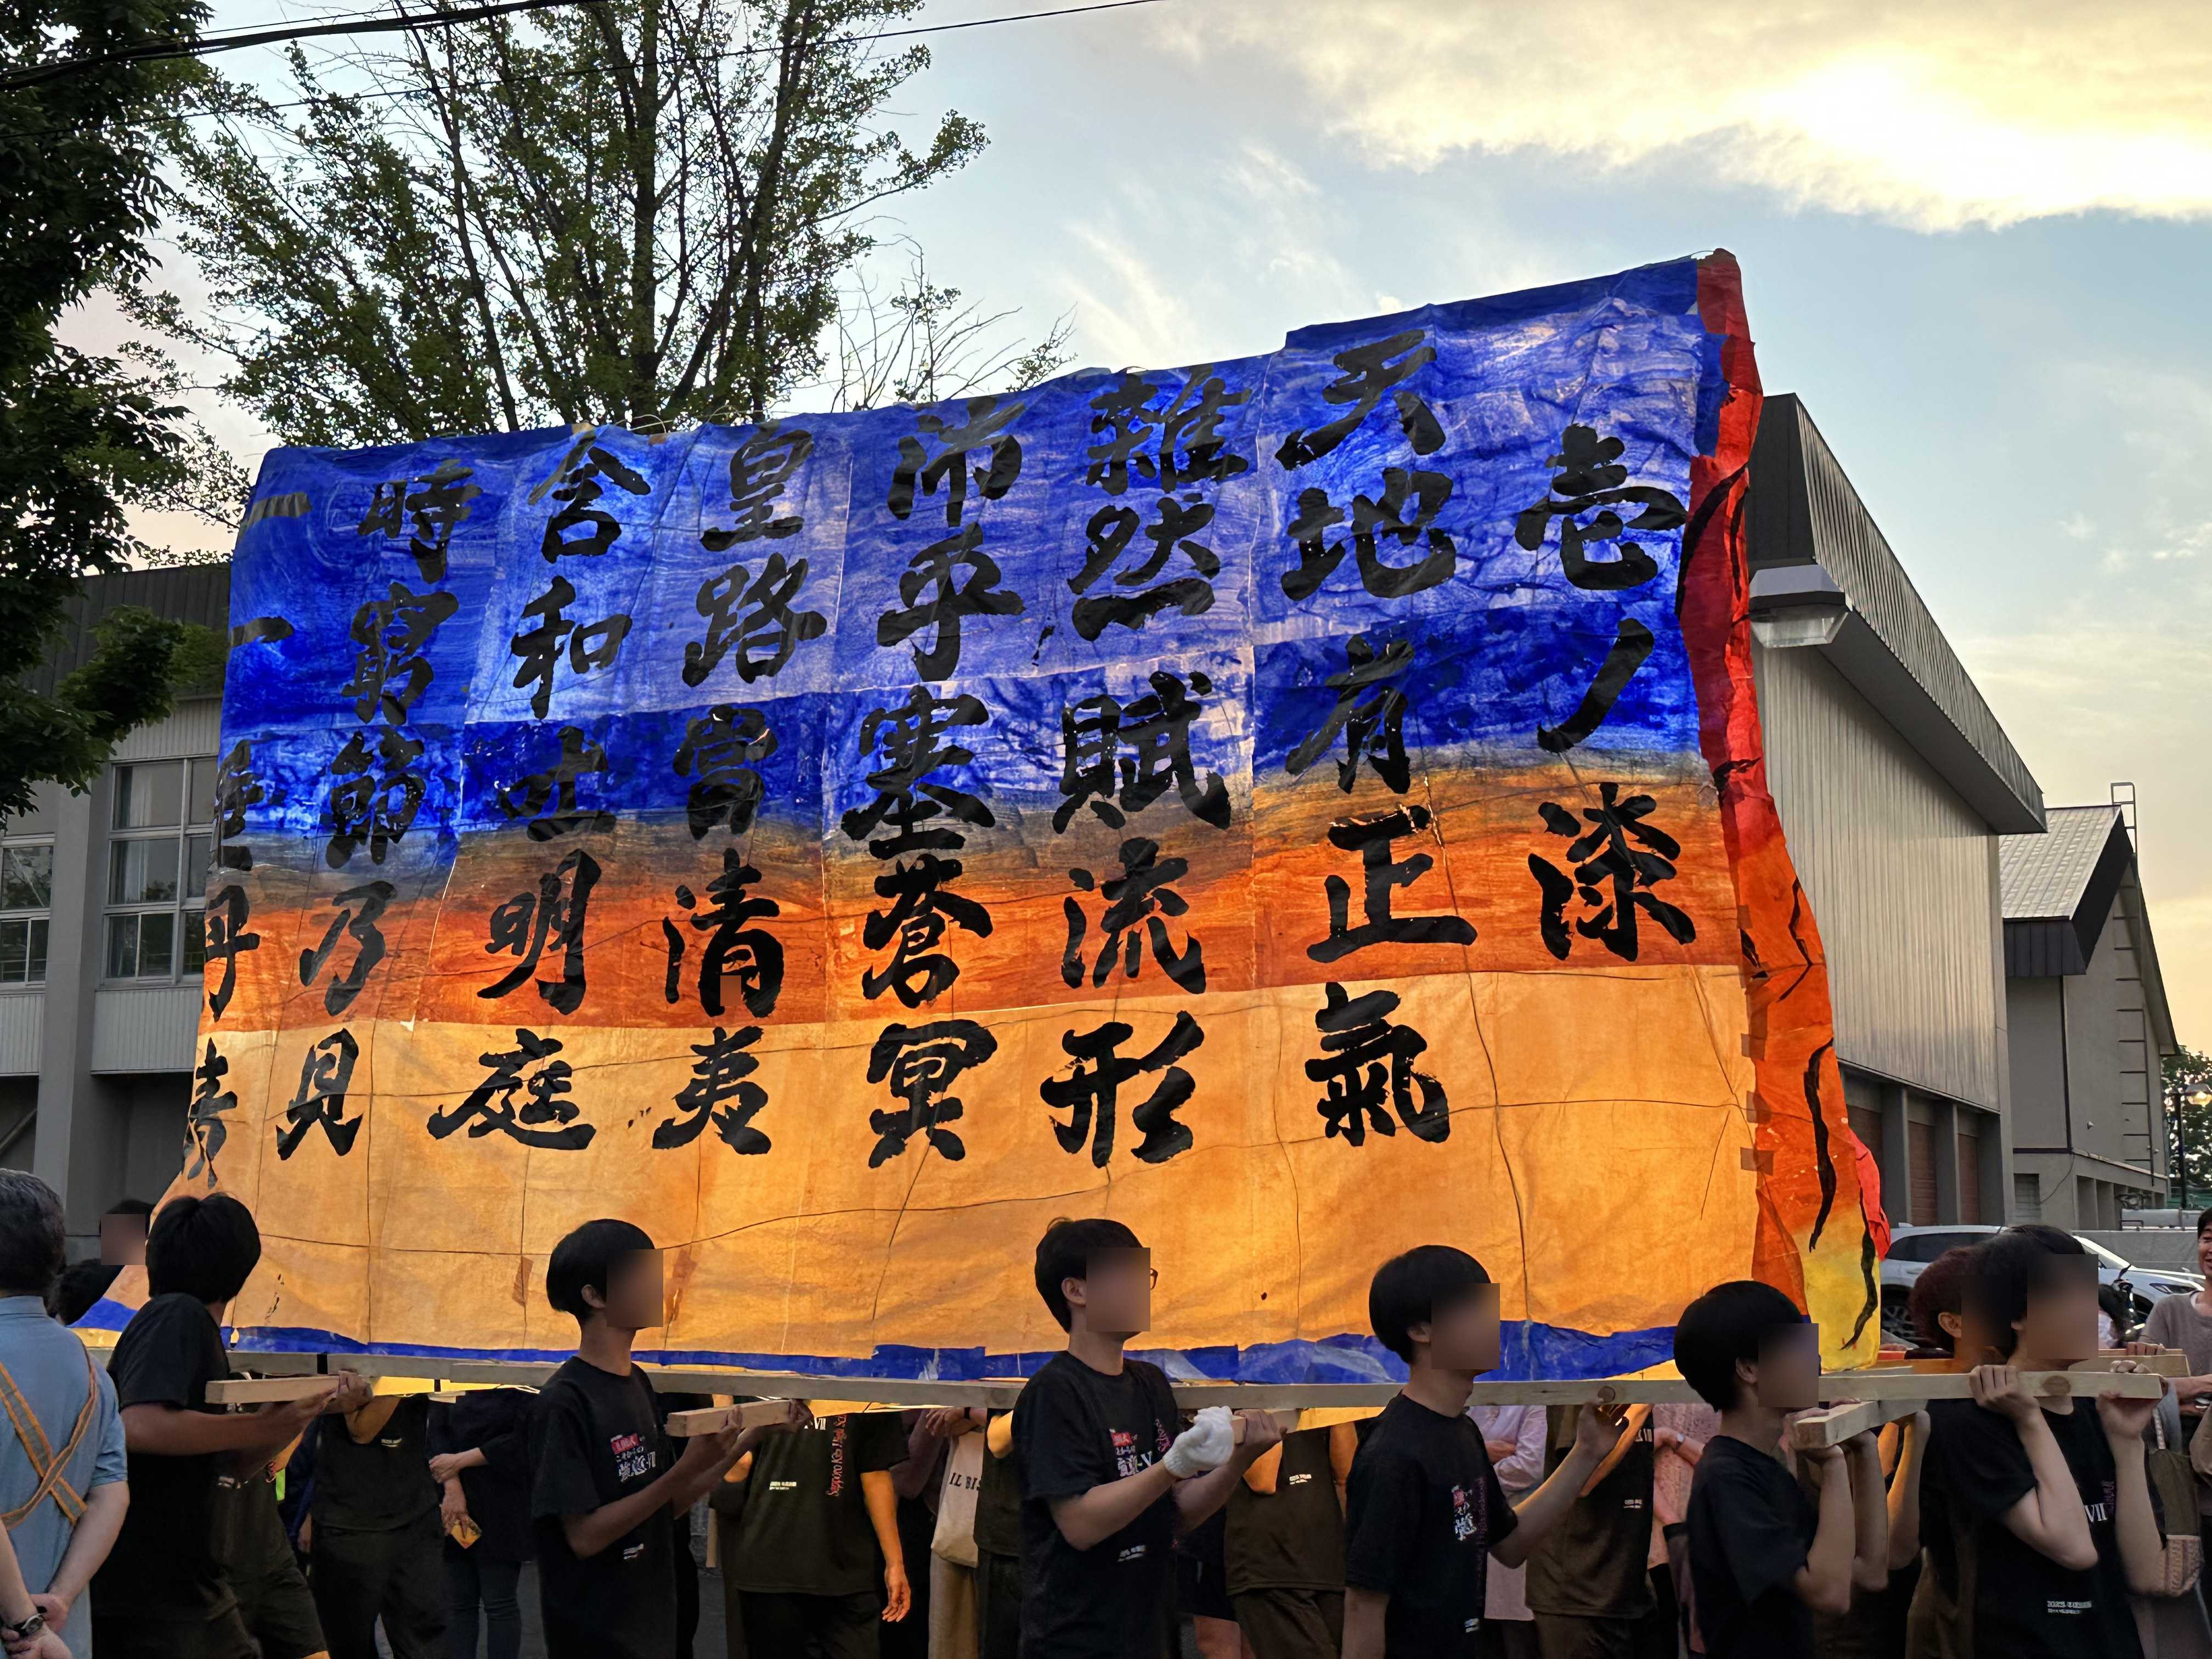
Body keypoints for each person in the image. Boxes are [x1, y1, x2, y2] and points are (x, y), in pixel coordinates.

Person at [91, 1193, 360, 1659]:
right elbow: (139, 1424)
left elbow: (234, 1466)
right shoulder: (178, 1314)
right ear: (242, 1267)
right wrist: (261, 1426)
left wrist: (300, 1413)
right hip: (153, 1588)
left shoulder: (185, 1322)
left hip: (181, 1580)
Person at [1010, 1216, 1280, 1659]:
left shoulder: (1150, 1383)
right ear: (1076, 1290)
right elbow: (1080, 1525)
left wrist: (1238, 1460)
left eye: (1144, 1274)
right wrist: (1172, 1467)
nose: (1142, 1288)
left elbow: (1175, 1514)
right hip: (1075, 1639)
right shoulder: (1054, 1392)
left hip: (1149, 1632)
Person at [1341, 1245, 1629, 1659]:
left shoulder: (1463, 1431)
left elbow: (1510, 1545)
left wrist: (1587, 1452)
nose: (1492, 1322)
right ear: (1421, 1329)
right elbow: (1363, 1605)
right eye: (1472, 1307)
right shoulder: (1394, 1453)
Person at [528, 1219, 778, 1659]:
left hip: (651, 1625)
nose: (658, 1287)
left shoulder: (638, 1382)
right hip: (596, 1635)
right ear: (594, 1296)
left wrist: (750, 1436)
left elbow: (665, 1508)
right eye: (640, 1274)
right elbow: (584, 1537)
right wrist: (684, 1469)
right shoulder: (564, 1402)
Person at [1919, 1224, 2164, 1657]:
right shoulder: (1970, 1420)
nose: (2089, 1311)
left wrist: (2128, 1443)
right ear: (2016, 1316)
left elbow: (2146, 1574)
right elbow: (2073, 1549)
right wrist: (2031, 1419)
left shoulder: (2099, 1408)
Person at [1674, 1279, 1887, 1659]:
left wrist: (1865, 1446)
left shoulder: (1763, 1464)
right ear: (1749, 1369)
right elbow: (1831, 1595)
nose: (1815, 1360)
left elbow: (1869, 1571)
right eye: (1796, 1346)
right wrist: (1834, 1463)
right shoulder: (1727, 1477)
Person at [0, 1171, 125, 1656]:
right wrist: (60, 1600)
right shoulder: (92, 1370)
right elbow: (111, 1493)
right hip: (60, 1639)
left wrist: (26, 1623)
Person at [720, 1403, 911, 1657]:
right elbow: (735, 1467)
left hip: (845, 1567)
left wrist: (895, 1563)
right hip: (771, 1564)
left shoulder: (866, 1388)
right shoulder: (757, 1381)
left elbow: (875, 1473)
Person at [306, 1387, 446, 1659]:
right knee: (345, 1642)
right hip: (351, 1520)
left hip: (409, 1512)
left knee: (423, 1641)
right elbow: (362, 1430)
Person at [1524, 1403, 1671, 1659]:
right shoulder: (1586, 1385)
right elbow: (1583, 1480)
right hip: (1580, 1592)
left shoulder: (1637, 1387)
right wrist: (1640, 1406)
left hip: (1625, 1587)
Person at [1223, 1420, 1358, 1659]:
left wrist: (1340, 1415)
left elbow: (1347, 1477)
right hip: (1271, 1566)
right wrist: (1277, 1404)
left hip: (1326, 1565)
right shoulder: (1242, 1406)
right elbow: (1263, 1481)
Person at [427, 1386, 534, 1659]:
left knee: (499, 1603)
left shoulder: (522, 1384)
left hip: (503, 1505)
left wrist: (460, 1461)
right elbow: (437, 1433)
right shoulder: (451, 1380)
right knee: (458, 1604)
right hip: (453, 1502)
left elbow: (524, 1440)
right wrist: (452, 1487)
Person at [1468, 1403, 1547, 1659]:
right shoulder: (1473, 1403)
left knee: (1519, 1638)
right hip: (1476, 1542)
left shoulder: (1535, 1404)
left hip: (1519, 1532)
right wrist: (1484, 1453)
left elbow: (1530, 1465)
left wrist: (1475, 1471)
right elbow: (1452, 1459)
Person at [2141, 1210, 2212, 1427]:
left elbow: (2163, 1388)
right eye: (2207, 1239)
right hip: (2175, 1437)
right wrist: (2201, 1386)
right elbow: (2141, 1382)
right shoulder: (2169, 1310)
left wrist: (2178, 1390)